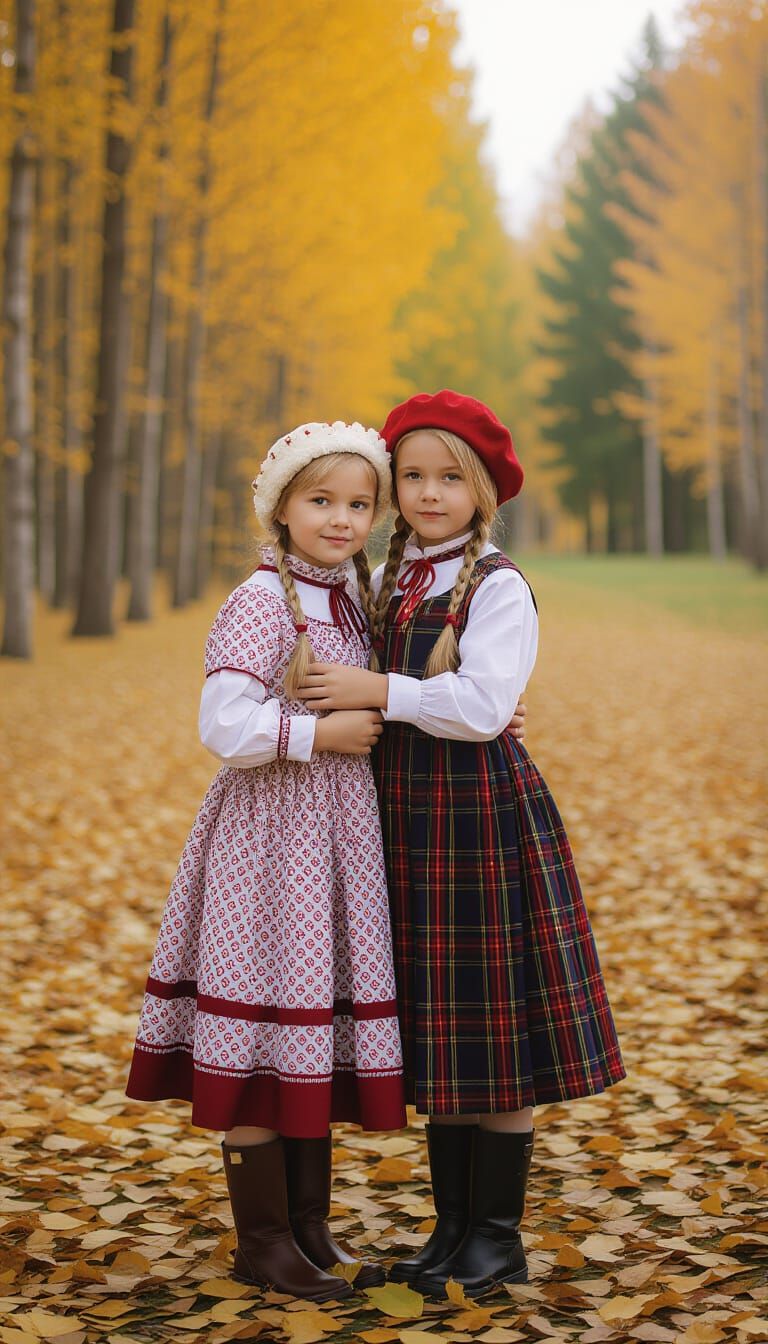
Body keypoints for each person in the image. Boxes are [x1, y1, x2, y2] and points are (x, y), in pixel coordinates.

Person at [296, 390, 626, 1298]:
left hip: (477, 819)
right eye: (412, 477)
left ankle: (496, 1237)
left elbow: (482, 710)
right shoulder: (390, 577)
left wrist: (379, 688)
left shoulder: (498, 583)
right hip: (404, 818)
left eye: (451, 478)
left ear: (481, 490)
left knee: (494, 1021)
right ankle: (448, 1233)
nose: (429, 493)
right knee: (442, 1022)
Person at [126, 421, 407, 1301]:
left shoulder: (352, 596)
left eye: (359, 504)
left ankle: (312, 1229)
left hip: (337, 844)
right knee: (259, 1030)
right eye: (321, 500)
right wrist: (315, 733)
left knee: (310, 1032)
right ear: (281, 507)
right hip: (270, 842)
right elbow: (220, 723)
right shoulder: (261, 602)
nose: (341, 519)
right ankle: (266, 1239)